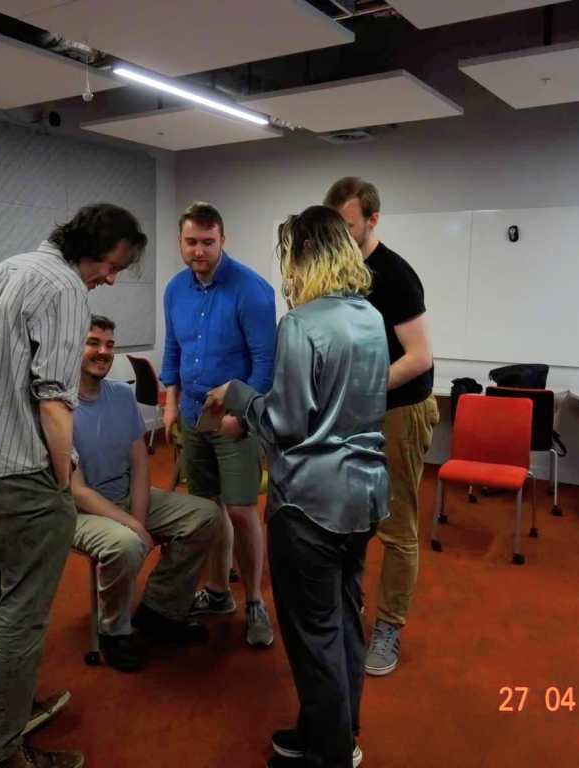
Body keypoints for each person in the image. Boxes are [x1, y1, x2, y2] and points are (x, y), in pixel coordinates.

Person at [0, 204, 147, 768]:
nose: (111, 278)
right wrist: (60, 475)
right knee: (22, 614)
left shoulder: (11, 267)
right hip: (22, 471)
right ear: (92, 248)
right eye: (112, 264)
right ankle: (1, 750)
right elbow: (53, 397)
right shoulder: (65, 290)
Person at [204, 205, 390, 768]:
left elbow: (285, 421)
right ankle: (331, 730)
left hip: (309, 501)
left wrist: (237, 395)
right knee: (345, 619)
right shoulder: (370, 317)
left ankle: (331, 753)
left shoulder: (302, 324)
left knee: (313, 635)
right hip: (363, 496)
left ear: (306, 256)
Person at [324, 177, 439, 677]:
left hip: (399, 411)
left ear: (372, 220)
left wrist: (362, 389)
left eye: (347, 226)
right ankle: (351, 603)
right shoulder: (338, 272)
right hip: (356, 412)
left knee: (396, 526)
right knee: (352, 516)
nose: (338, 235)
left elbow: (420, 357)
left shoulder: (394, 275)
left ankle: (389, 624)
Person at [70, 315, 222, 673]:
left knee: (207, 515)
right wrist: (132, 528)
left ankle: (160, 610)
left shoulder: (122, 395)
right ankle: (114, 631)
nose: (103, 352)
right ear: (73, 347)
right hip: (79, 511)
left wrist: (137, 519)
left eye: (109, 345)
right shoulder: (58, 406)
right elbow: (75, 489)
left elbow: (140, 465)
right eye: (93, 343)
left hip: (126, 497)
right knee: (125, 543)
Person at [160, 201, 277, 648]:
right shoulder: (175, 289)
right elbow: (173, 348)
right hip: (191, 415)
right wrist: (170, 405)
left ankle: (254, 603)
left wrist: (241, 416)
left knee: (243, 510)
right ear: (181, 242)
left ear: (223, 240)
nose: (199, 251)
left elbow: (265, 365)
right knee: (205, 509)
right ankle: (217, 592)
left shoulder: (253, 291)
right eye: (191, 242)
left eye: (208, 242)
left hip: (234, 420)